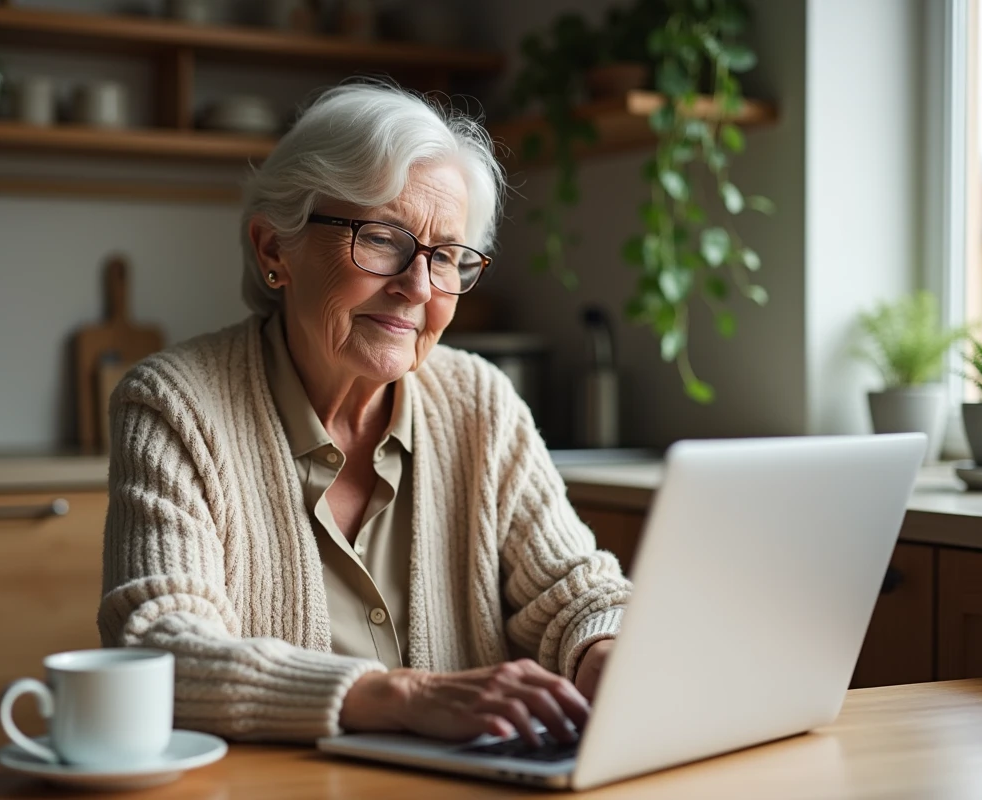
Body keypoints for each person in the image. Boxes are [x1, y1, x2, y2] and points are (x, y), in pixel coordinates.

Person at [99, 83, 632, 746]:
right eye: (382, 239)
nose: (417, 287)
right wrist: (403, 695)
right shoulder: (176, 405)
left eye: (447, 257)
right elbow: (158, 647)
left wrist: (607, 655)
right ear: (274, 249)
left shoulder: (481, 403)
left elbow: (578, 590)